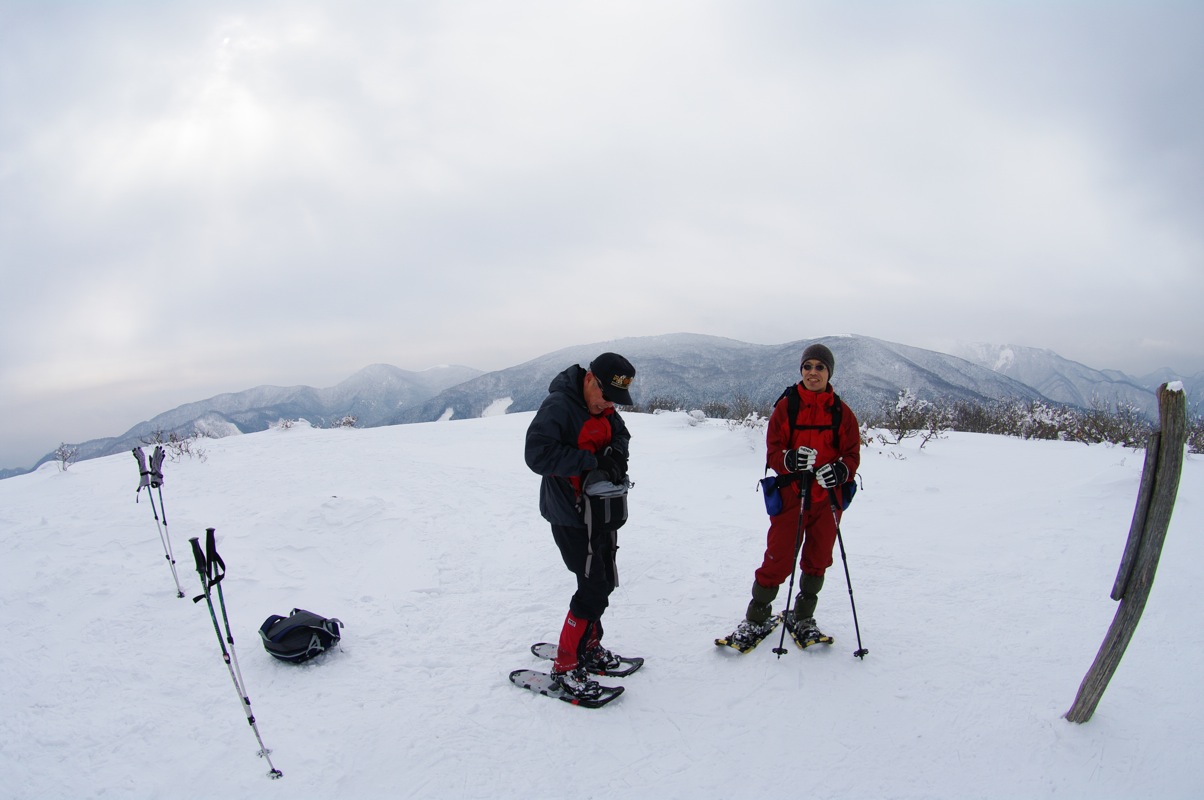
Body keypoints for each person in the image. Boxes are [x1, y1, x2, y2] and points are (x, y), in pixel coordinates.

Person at [728, 342, 861, 647]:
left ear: (829, 372)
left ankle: (802, 616)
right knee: (778, 558)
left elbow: (852, 454)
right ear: (801, 370)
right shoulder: (787, 407)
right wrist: (789, 460)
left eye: (819, 367)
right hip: (792, 497)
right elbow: (773, 452)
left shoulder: (842, 413)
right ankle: (755, 620)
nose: (813, 373)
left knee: (817, 559)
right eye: (807, 366)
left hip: (827, 500)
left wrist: (841, 471)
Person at [524, 352, 636, 699]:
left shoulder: (604, 407)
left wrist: (615, 456)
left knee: (603, 582)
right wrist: (590, 460)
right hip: (570, 514)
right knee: (592, 588)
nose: (608, 406)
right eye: (605, 397)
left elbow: (621, 436)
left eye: (615, 401)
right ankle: (566, 665)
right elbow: (536, 454)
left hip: (600, 511)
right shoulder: (560, 406)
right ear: (590, 379)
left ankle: (589, 646)